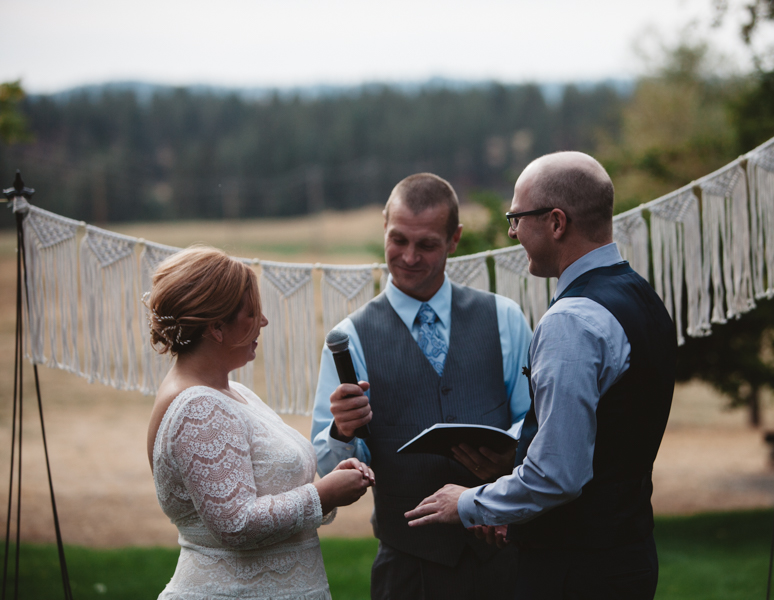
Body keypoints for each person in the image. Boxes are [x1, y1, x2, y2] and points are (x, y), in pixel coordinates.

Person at [405, 152, 677, 600]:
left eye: (517, 218)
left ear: (556, 222)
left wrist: (470, 504)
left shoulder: (571, 321)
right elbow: (609, 426)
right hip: (629, 554)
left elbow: (558, 475)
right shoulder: (640, 295)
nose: (511, 232)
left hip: (574, 571)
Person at [310, 173, 533, 599]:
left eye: (427, 244)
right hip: (407, 568)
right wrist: (342, 431)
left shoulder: (504, 318)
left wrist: (497, 494)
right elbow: (327, 468)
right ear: (384, 228)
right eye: (398, 240)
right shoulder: (349, 337)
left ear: (454, 239)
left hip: (503, 558)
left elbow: (534, 426)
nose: (409, 257)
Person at [146, 246, 374, 600]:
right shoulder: (199, 407)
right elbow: (236, 524)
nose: (263, 322)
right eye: (252, 313)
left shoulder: (232, 392)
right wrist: (324, 493)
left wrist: (332, 484)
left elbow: (266, 493)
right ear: (217, 327)